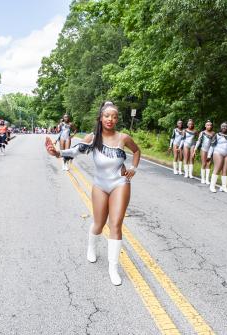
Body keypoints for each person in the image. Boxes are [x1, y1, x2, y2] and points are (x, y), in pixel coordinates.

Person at [45, 101, 141, 286]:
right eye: (107, 116)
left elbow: (136, 151)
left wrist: (133, 168)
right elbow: (75, 150)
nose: (110, 119)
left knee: (116, 224)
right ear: (100, 118)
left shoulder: (123, 138)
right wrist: (57, 153)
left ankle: (113, 268)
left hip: (120, 183)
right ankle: (91, 247)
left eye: (114, 117)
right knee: (99, 223)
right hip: (100, 185)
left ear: (117, 119)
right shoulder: (93, 137)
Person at [208, 122, 227, 193]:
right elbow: (212, 145)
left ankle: (224, 187)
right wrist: (209, 155)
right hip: (218, 152)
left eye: (226, 126)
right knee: (217, 169)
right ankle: (212, 186)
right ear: (220, 127)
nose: (224, 127)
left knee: (225, 170)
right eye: (223, 126)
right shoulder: (217, 135)